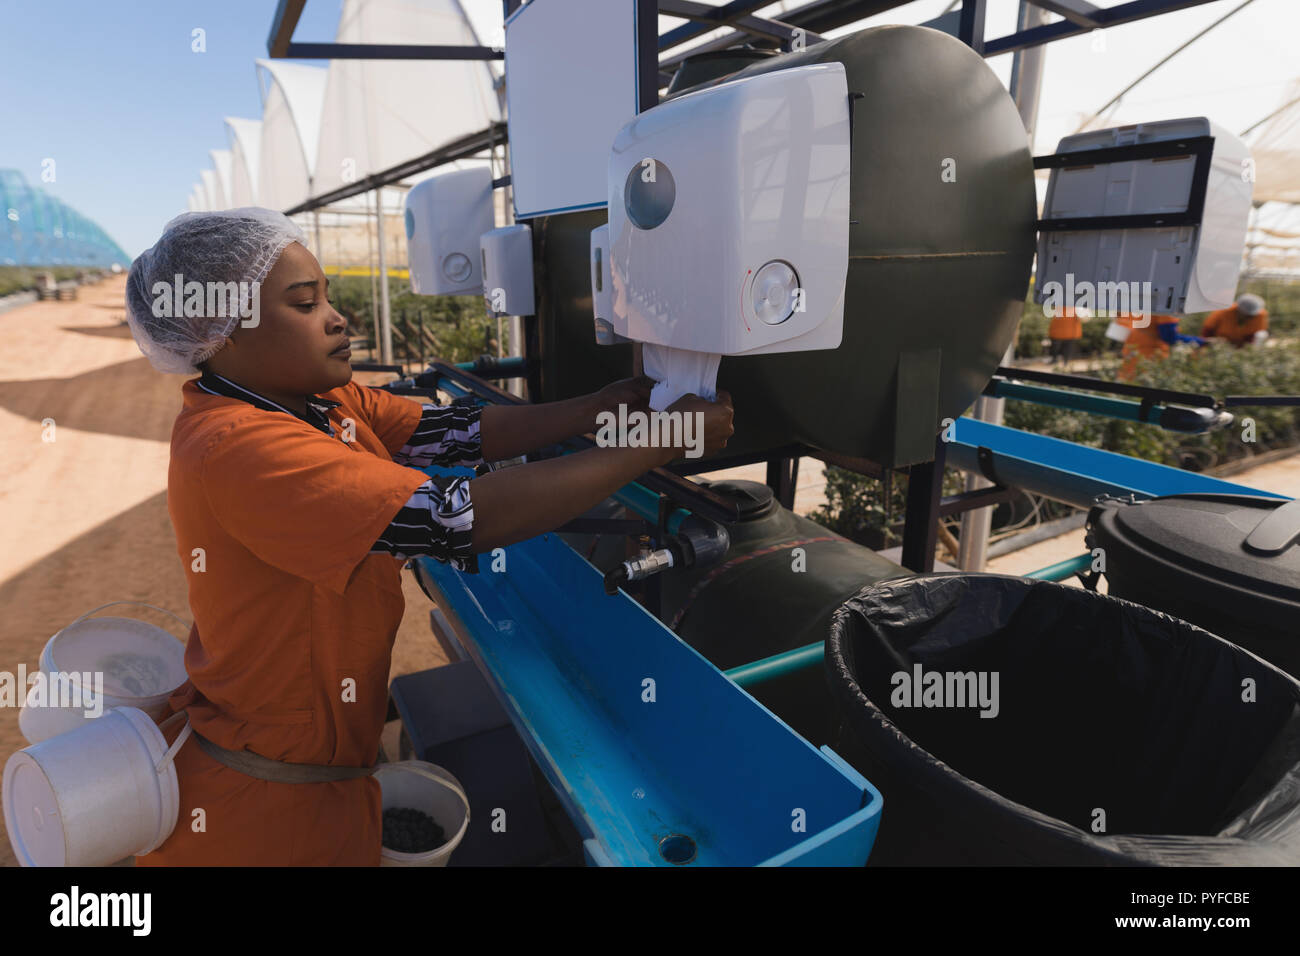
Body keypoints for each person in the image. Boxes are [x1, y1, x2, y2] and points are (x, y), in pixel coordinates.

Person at [124, 208, 734, 865]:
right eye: (304, 304)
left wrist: (592, 410)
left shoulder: (318, 404)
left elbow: (455, 431)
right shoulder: (237, 447)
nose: (336, 318)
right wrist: (655, 444)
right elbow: (456, 516)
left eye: (327, 296)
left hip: (323, 767)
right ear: (224, 335)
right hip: (268, 803)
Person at [1116, 311, 1205, 381]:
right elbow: (1169, 336)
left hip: (1130, 356)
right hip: (1150, 360)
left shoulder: (1134, 295)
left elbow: (1119, 329)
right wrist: (1201, 341)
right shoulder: (1166, 302)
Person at [1201, 293, 1268, 348]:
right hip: (1217, 342)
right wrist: (1206, 343)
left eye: (1250, 316)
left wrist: (1245, 348)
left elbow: (1252, 335)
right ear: (1238, 310)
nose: (1248, 318)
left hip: (1239, 343)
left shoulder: (1259, 316)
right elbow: (1208, 329)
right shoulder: (1224, 312)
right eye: (1246, 315)